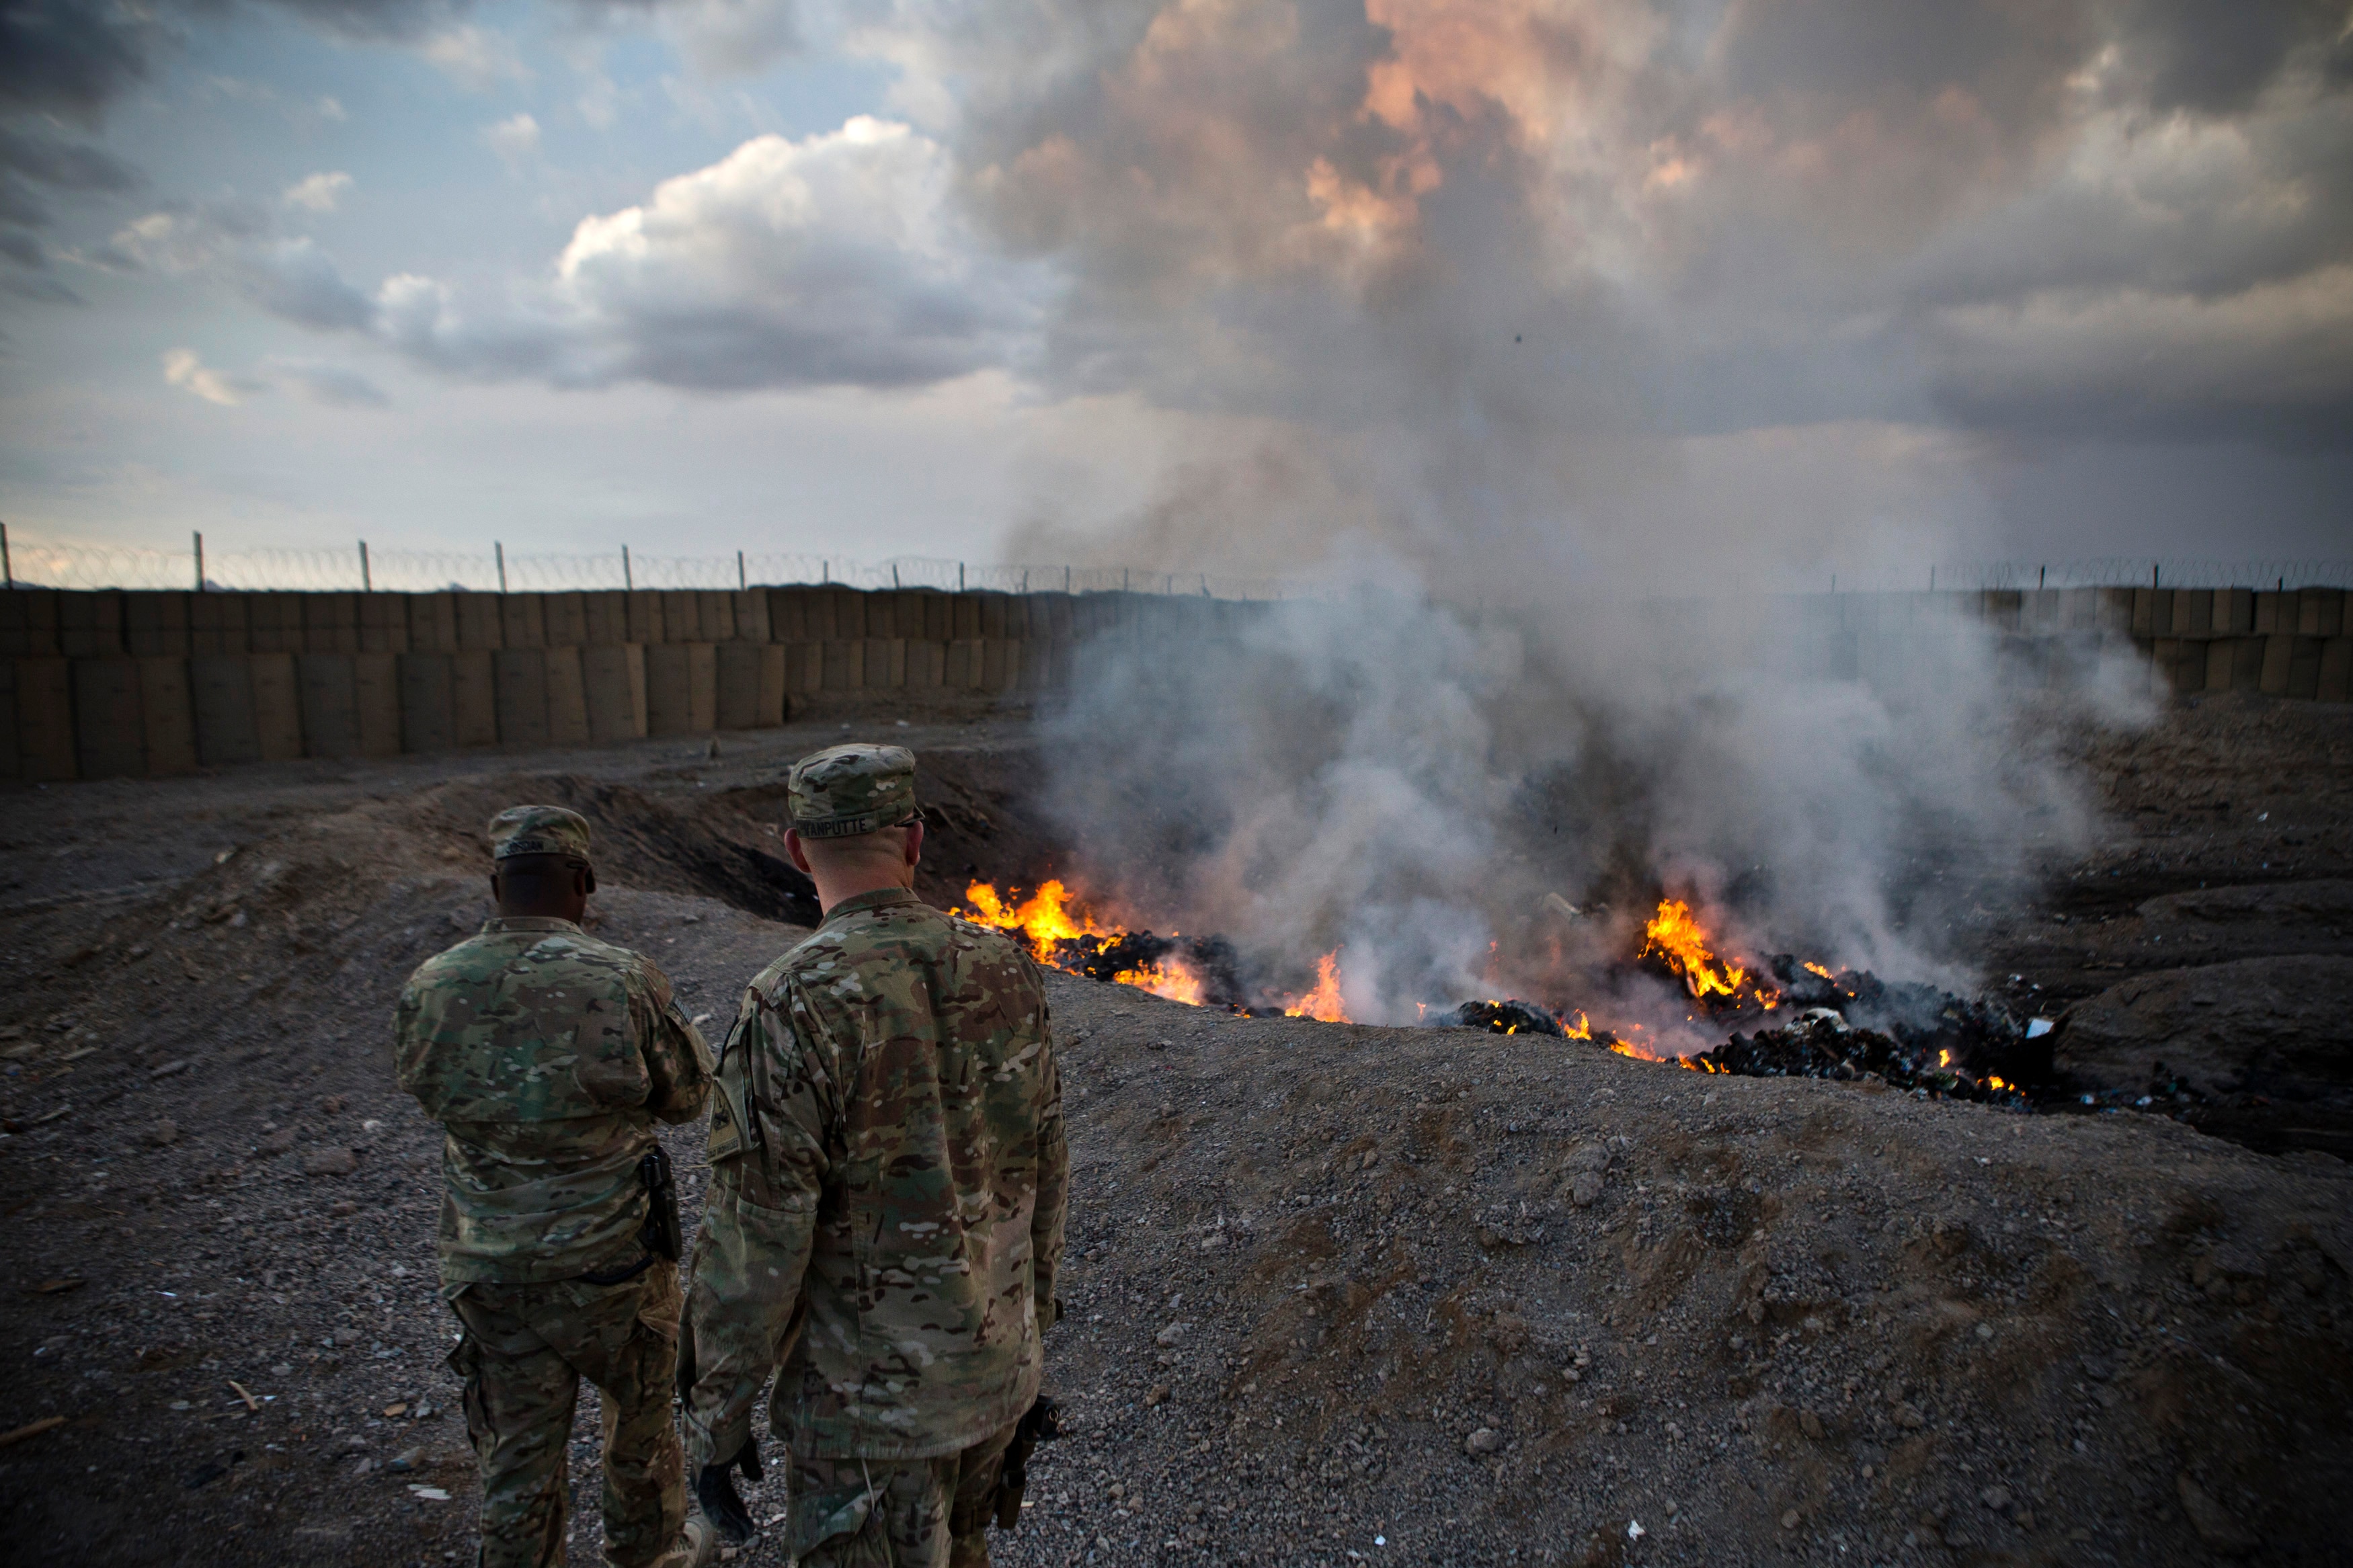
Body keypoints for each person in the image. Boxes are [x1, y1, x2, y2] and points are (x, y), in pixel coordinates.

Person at [680, 743, 1068, 1567]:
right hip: (994, 1377)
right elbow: (1045, 1173)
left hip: (870, 1417)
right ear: (916, 841)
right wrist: (1030, 1345)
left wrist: (718, 1413)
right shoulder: (1007, 969)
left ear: (795, 848)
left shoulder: (791, 1001)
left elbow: (757, 1237)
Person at [394, 804, 716, 1568]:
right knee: (640, 1429)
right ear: (583, 883)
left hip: (489, 1267)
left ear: (495, 884)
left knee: (514, 1452)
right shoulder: (619, 977)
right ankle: (651, 1553)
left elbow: (423, 1085)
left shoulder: (432, 983)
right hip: (612, 1266)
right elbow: (688, 1095)